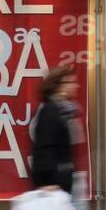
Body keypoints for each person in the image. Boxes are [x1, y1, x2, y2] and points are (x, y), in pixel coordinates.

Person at [31, 65, 80, 193]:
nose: (76, 86)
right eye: (71, 82)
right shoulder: (50, 111)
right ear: (59, 86)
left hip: (64, 178)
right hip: (54, 183)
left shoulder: (65, 111)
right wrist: (46, 183)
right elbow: (43, 148)